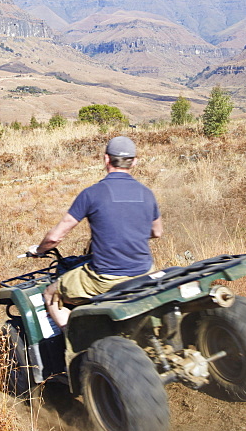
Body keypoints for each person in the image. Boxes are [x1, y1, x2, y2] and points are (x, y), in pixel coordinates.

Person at [33, 136, 162, 330]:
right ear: (134, 162)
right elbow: (157, 232)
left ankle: (75, 342)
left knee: (51, 294)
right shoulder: (146, 193)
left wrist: (39, 250)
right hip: (144, 272)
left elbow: (54, 237)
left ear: (106, 159)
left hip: (105, 278)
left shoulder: (92, 193)